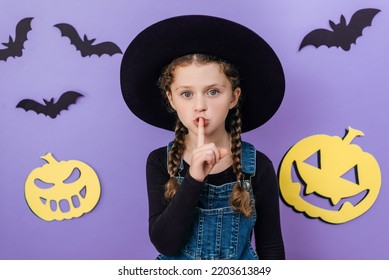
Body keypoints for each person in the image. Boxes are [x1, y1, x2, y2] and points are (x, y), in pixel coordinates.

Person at [120, 15, 285, 260]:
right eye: (187, 94)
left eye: (213, 92)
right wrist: (194, 177)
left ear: (233, 97)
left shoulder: (258, 166)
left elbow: (271, 249)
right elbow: (165, 243)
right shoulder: (159, 162)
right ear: (171, 99)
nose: (200, 105)